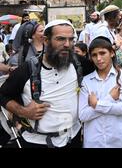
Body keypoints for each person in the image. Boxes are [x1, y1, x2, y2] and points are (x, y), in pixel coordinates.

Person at [0, 20, 82, 148]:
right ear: (46, 40)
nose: (67, 44)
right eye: (60, 39)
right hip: (37, 142)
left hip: (72, 138)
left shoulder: (78, 64)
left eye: (71, 39)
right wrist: (23, 111)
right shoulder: (27, 69)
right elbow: (3, 95)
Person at [79, 36, 122, 148]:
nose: (98, 58)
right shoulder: (87, 81)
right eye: (94, 55)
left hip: (119, 140)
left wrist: (96, 104)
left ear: (112, 53)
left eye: (102, 53)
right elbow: (83, 115)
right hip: (95, 142)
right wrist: (110, 98)